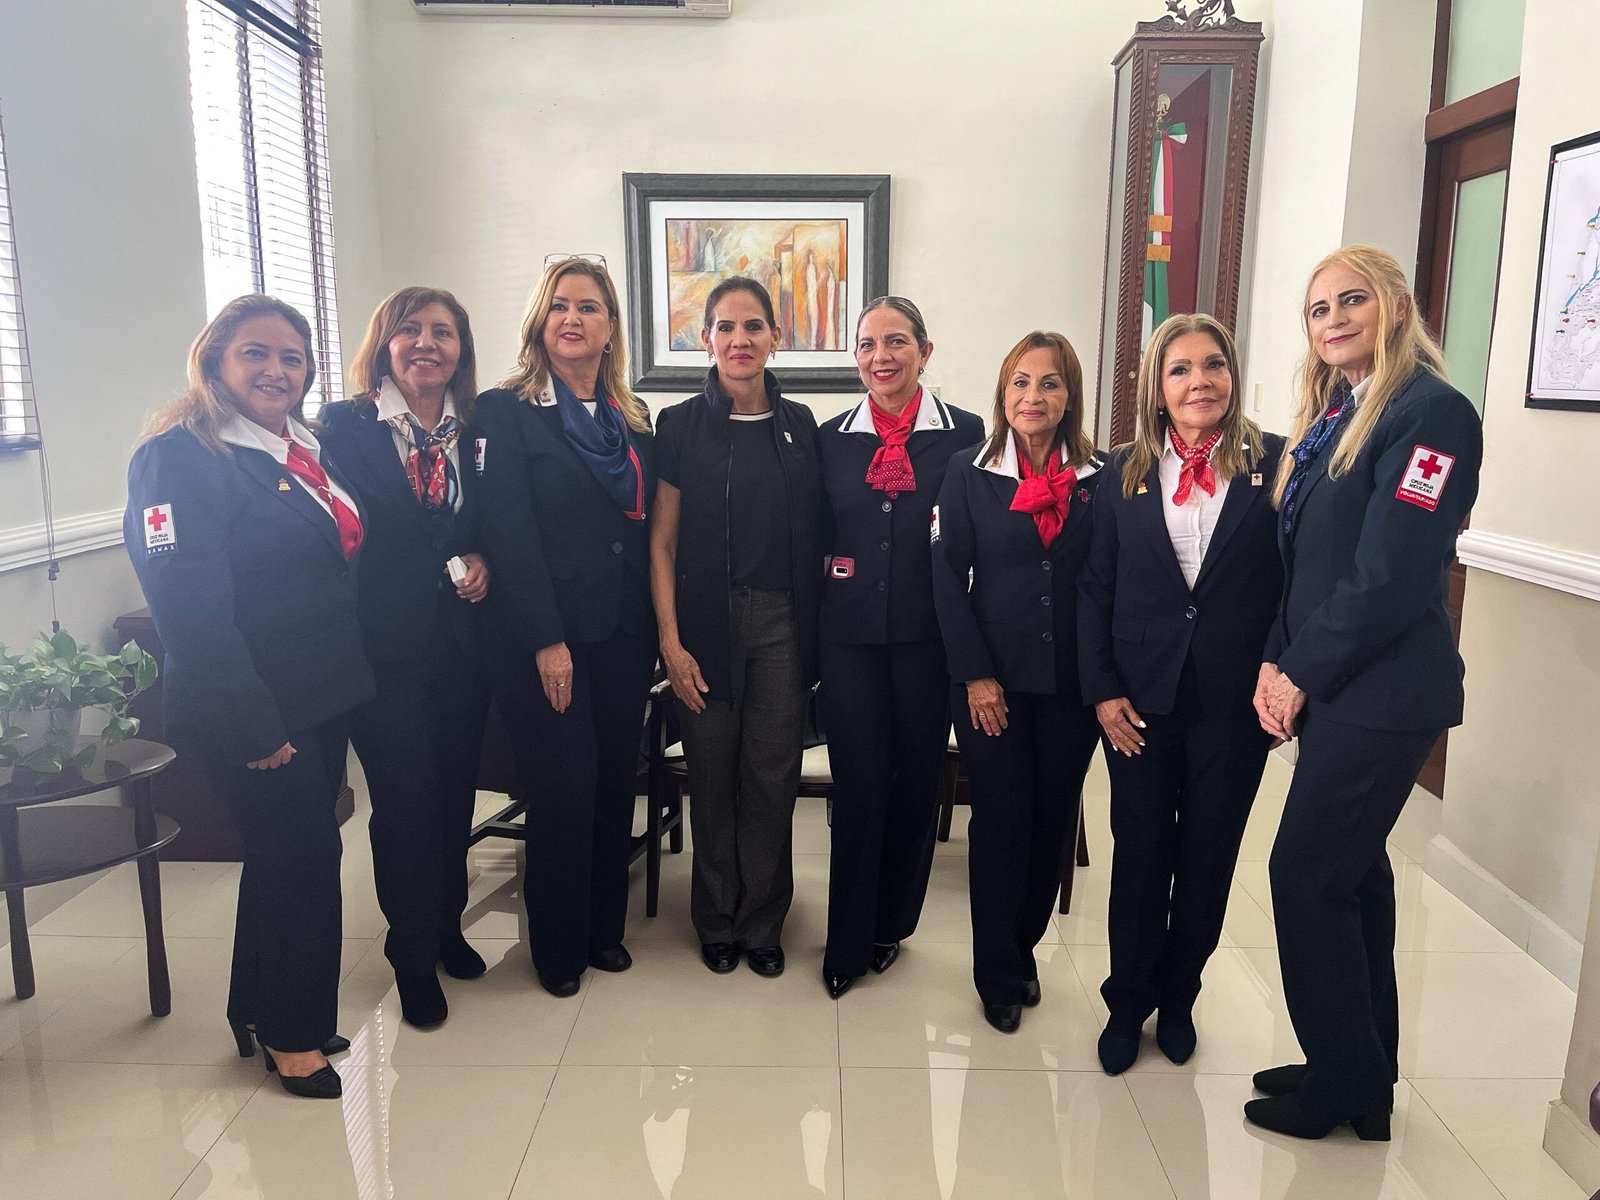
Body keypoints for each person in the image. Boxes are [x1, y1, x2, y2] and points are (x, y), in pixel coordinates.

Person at [1247, 245, 1482, 1140]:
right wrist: (1276, 660)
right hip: (1339, 684)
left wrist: (1299, 673)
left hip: (1382, 696)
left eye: (1353, 300)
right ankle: (1359, 1067)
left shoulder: (1431, 413)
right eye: (1319, 309)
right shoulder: (1339, 413)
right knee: (1354, 876)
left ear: (1397, 306)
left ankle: (1339, 1087)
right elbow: (1304, 562)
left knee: (1306, 875)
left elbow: (1389, 576)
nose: (1334, 319)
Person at [125, 294, 371, 1098]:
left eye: (291, 357)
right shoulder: (180, 458)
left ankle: (262, 1009)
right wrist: (255, 724)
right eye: (255, 353)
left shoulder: (300, 448)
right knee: (304, 859)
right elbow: (187, 609)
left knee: (285, 857)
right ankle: (294, 1037)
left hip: (318, 694)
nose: (276, 370)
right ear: (215, 361)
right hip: (254, 706)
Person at [1077, 313, 1284, 1074]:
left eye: (1213, 365)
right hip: (1138, 702)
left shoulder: (1278, 463)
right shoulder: (1122, 471)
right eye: (1181, 369)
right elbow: (1096, 588)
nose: (1200, 381)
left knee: (1207, 857)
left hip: (1234, 705)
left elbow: (1294, 584)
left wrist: (1280, 671)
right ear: (1156, 388)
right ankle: (1125, 1001)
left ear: (1232, 374)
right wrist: (1102, 692)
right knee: (1140, 855)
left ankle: (1179, 996)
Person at [475, 257, 657, 998]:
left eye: (589, 306)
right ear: (539, 322)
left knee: (614, 781)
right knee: (564, 784)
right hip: (547, 637)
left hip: (623, 634)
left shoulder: (631, 418)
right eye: (559, 306)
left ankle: (602, 930)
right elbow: (509, 532)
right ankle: (556, 947)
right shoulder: (506, 411)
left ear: (611, 327)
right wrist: (546, 639)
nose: (573, 318)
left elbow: (639, 533)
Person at [318, 287, 491, 1028]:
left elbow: (488, 522)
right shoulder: (340, 427)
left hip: (462, 646)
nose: (427, 344)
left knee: (454, 796)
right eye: (411, 330)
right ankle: (411, 952)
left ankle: (447, 925)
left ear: (461, 349)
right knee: (406, 803)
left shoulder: (477, 427)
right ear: (384, 343)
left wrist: (483, 558)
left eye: (443, 333)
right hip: (382, 650)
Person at [931, 330, 1104, 1033]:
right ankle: (996, 970)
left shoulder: (1100, 477)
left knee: (1051, 820)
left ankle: (1023, 945)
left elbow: (1108, 582)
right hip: (991, 686)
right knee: (1001, 822)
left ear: (1070, 397)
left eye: (1050, 383)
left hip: (1072, 685)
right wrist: (975, 674)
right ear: (1003, 395)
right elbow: (946, 577)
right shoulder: (968, 471)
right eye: (1021, 383)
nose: (1034, 396)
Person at [650, 276, 822, 979]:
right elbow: (661, 544)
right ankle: (716, 918)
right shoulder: (680, 426)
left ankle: (763, 921)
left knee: (772, 777)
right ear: (707, 339)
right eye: (726, 327)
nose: (740, 340)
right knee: (714, 774)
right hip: (703, 626)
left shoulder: (801, 426)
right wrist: (670, 642)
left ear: (776, 337)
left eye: (754, 326)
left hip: (783, 624)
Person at [815, 297, 982, 999]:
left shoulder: (966, 434)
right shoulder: (829, 438)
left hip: (928, 641)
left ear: (924, 350)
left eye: (896, 342)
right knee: (856, 788)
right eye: (866, 345)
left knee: (915, 784)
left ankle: (890, 926)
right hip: (848, 641)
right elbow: (816, 537)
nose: (880, 356)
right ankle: (846, 939)